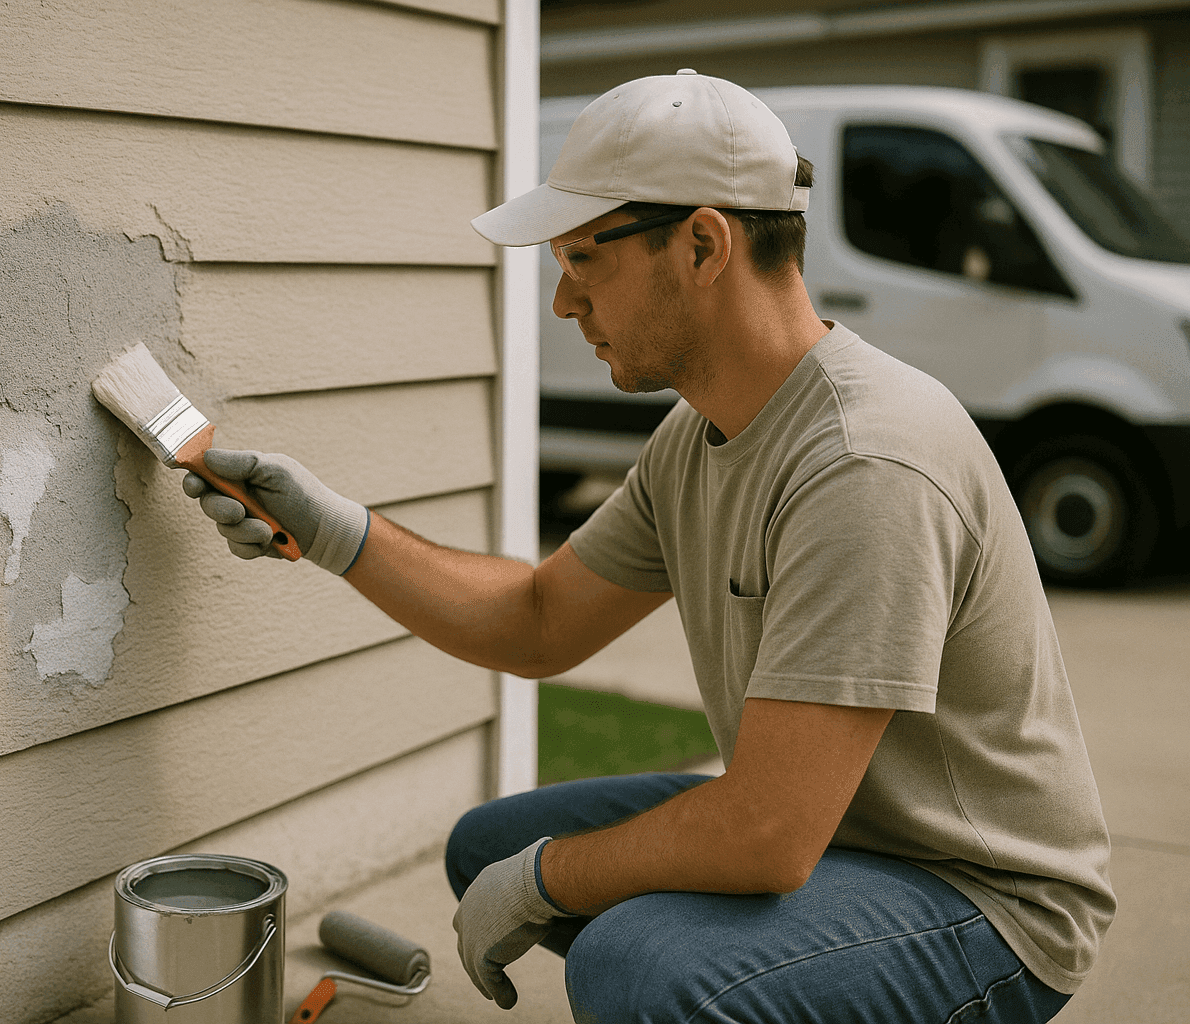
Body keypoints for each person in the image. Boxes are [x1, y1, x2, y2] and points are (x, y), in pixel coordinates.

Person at [180, 71, 1114, 1024]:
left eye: (582, 257)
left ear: (704, 244)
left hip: (977, 895)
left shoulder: (866, 462)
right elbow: (540, 621)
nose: (561, 303)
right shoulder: (700, 434)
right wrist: (337, 532)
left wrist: (550, 880)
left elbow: (767, 832)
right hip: (839, 831)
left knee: (639, 967)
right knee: (491, 847)